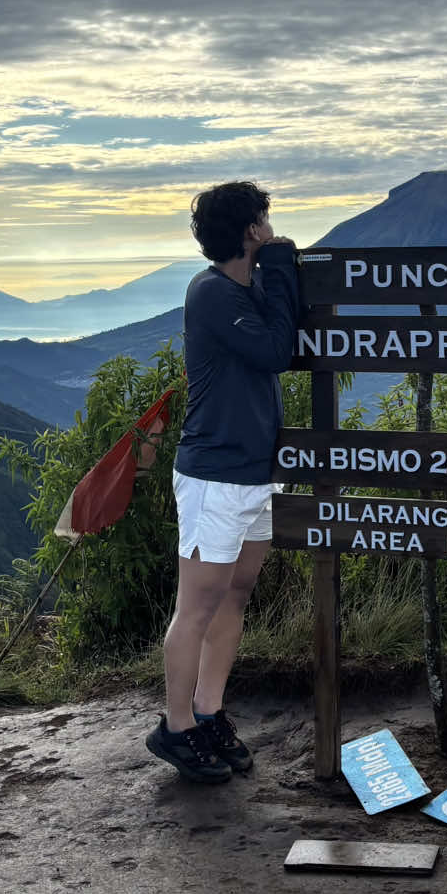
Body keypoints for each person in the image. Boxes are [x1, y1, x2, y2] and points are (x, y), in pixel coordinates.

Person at [146, 179, 300, 783]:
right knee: (198, 604)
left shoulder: (247, 285)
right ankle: (176, 726)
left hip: (256, 473)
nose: (271, 227)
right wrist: (282, 268)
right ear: (248, 231)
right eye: (263, 219)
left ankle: (209, 711)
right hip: (214, 476)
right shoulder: (210, 292)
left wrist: (274, 273)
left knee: (236, 593)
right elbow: (274, 351)